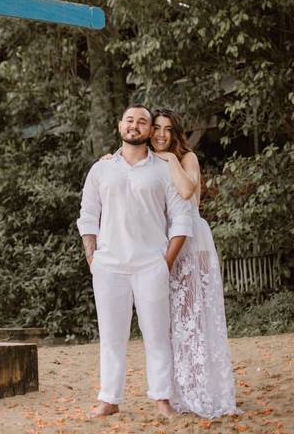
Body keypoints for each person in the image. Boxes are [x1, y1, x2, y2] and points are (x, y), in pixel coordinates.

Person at [77, 104, 195, 418]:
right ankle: (109, 399)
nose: (135, 126)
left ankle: (161, 399)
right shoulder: (101, 169)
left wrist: (164, 263)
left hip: (150, 264)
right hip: (108, 265)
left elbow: (181, 219)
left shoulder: (163, 169)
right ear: (120, 126)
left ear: (149, 130)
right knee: (111, 336)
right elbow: (88, 216)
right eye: (129, 120)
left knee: (157, 334)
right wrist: (93, 258)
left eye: (142, 122)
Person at [148, 108, 239, 418]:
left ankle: (201, 389)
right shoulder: (148, 160)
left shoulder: (186, 159)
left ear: (176, 134)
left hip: (192, 241)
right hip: (164, 241)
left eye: (167, 129)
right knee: (171, 320)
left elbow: (188, 192)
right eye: (156, 128)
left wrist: (170, 158)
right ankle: (176, 390)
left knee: (193, 316)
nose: (161, 134)